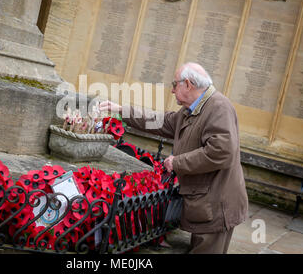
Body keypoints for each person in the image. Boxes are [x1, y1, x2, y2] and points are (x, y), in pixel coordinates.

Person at [99, 62, 248, 254]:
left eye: (174, 84)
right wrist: (121, 110)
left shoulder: (218, 107)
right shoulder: (193, 109)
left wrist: (177, 162)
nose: (171, 90)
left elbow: (221, 152)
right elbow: (158, 120)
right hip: (206, 202)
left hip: (217, 205)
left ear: (188, 84)